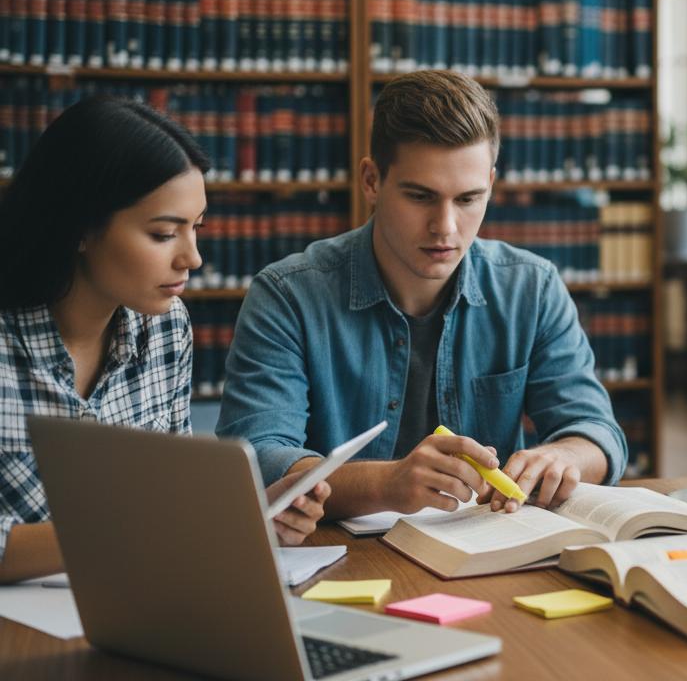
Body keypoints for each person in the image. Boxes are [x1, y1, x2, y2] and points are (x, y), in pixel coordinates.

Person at [216, 70, 627, 520]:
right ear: (371, 180)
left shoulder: (533, 286)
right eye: (420, 196)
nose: (445, 228)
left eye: (469, 199)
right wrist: (384, 484)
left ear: (490, 183)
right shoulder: (287, 296)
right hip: (339, 560)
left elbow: (597, 432)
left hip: (488, 553)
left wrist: (565, 456)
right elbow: (258, 456)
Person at [0, 96, 328, 584]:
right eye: (163, 234)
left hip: (137, 604)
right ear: (80, 230)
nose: (192, 258)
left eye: (195, 228)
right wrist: (136, 533)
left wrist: (252, 517)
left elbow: (170, 502)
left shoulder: (166, 327)